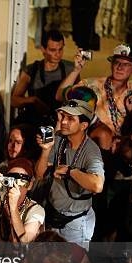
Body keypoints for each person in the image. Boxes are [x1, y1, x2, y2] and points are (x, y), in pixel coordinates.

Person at [35, 96, 104, 246]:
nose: (64, 122)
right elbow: (39, 175)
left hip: (76, 222)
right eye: (63, 117)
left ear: (83, 125)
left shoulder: (91, 151)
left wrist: (70, 171)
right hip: (54, 215)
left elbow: (97, 185)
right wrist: (46, 150)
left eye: (71, 119)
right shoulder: (59, 139)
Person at [56, 43, 132, 136]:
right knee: (103, 134)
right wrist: (76, 70)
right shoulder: (92, 84)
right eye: (116, 62)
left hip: (122, 143)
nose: (120, 67)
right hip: (94, 142)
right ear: (111, 64)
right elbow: (59, 96)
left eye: (126, 64)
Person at [11, 30, 74, 125]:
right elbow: (14, 100)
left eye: (60, 49)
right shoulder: (32, 70)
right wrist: (33, 100)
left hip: (61, 121)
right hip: (35, 120)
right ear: (43, 49)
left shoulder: (70, 69)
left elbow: (78, 98)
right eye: (53, 50)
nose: (58, 54)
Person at [0, 158, 45, 243]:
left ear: (30, 185)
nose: (15, 185)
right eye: (11, 179)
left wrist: (13, 209)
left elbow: (24, 241)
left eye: (21, 181)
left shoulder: (37, 210)